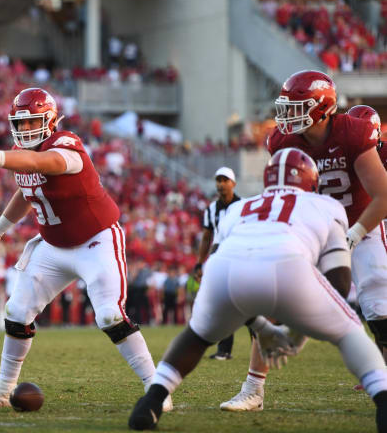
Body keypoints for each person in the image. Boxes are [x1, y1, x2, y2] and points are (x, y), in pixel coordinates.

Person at [128, 148, 387, 431]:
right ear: (312, 181)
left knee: (197, 336)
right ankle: (384, 401)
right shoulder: (327, 205)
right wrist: (300, 333)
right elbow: (337, 282)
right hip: (288, 266)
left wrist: (263, 329)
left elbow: (228, 270)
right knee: (350, 331)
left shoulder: (239, 208)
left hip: (223, 272)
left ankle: (151, 403)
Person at [0, 87, 173, 411]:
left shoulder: (66, 144)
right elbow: (25, 189)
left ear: (49, 120)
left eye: (32, 122)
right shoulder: (23, 153)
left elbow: (42, 163)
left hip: (96, 241)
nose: (26, 129)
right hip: (54, 245)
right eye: (21, 123)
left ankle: (157, 390)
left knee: (110, 315)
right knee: (16, 313)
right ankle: (3, 390)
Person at [221, 70, 387, 411]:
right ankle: (253, 390)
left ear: (322, 108)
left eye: (295, 106)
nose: (285, 115)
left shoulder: (353, 133)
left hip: (362, 225)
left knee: (378, 299)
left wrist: (354, 234)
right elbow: (280, 194)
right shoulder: (283, 142)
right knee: (275, 298)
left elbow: (383, 195)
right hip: (313, 226)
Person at [194, 167, 241, 361]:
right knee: (222, 303)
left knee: (250, 301)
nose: (221, 184)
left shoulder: (245, 205)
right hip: (220, 258)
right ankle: (224, 350)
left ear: (233, 183)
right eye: (218, 180)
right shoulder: (211, 209)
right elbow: (206, 238)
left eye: (225, 180)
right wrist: (199, 263)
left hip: (240, 257)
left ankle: (265, 343)